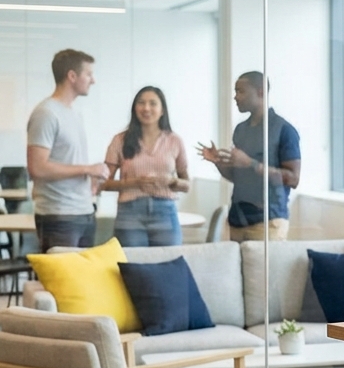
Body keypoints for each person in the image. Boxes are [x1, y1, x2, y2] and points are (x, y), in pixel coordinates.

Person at [199, 71, 301, 241]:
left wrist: (250, 163)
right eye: (235, 92)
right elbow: (238, 177)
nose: (235, 97)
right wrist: (217, 162)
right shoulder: (241, 130)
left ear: (260, 92)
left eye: (241, 91)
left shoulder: (284, 130)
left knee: (263, 268)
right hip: (238, 220)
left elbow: (293, 179)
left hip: (268, 221)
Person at [25, 49, 109, 251]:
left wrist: (92, 178)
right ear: (72, 76)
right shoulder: (46, 113)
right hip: (59, 215)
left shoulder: (74, 113)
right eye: (88, 74)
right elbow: (37, 168)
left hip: (83, 211)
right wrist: (87, 170)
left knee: (81, 281)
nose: (93, 80)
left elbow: (67, 160)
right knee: (61, 282)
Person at [102, 87, 190, 246]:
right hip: (129, 212)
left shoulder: (174, 140)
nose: (146, 108)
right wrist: (134, 183)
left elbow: (186, 184)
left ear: (162, 110)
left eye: (152, 103)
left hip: (165, 211)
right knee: (132, 265)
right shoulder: (120, 140)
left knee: (167, 264)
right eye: (141, 103)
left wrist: (172, 182)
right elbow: (103, 183)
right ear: (134, 108)